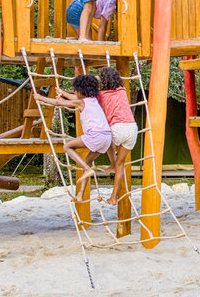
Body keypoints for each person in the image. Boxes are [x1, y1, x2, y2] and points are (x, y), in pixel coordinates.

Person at [34, 74, 111, 181]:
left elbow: (58, 102)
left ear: (81, 90)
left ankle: (87, 169)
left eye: (75, 90)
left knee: (67, 147)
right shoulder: (92, 99)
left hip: (95, 135)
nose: (74, 92)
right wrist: (63, 93)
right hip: (107, 137)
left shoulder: (81, 102)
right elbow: (73, 98)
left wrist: (40, 98)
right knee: (87, 161)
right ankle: (80, 195)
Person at [96, 67, 138, 205]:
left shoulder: (101, 95)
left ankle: (112, 164)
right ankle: (113, 197)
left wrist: (95, 79)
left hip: (117, 127)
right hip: (132, 128)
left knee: (107, 141)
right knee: (121, 165)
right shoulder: (122, 90)